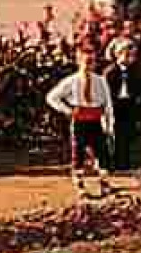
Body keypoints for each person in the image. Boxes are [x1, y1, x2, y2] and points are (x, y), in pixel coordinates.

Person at [45, 43, 114, 199]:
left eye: (92, 61)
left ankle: (104, 182)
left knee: (102, 152)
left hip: (96, 120)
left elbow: (107, 103)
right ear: (79, 61)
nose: (89, 65)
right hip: (80, 120)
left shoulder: (100, 81)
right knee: (79, 153)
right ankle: (79, 183)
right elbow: (52, 97)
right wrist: (68, 110)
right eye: (86, 61)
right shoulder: (72, 81)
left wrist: (109, 124)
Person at [102, 36, 141, 188]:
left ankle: (138, 176)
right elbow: (105, 95)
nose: (130, 58)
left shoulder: (138, 72)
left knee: (135, 142)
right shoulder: (109, 73)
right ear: (117, 54)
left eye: (132, 55)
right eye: (126, 54)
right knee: (112, 142)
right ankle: (106, 178)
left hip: (132, 109)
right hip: (115, 109)